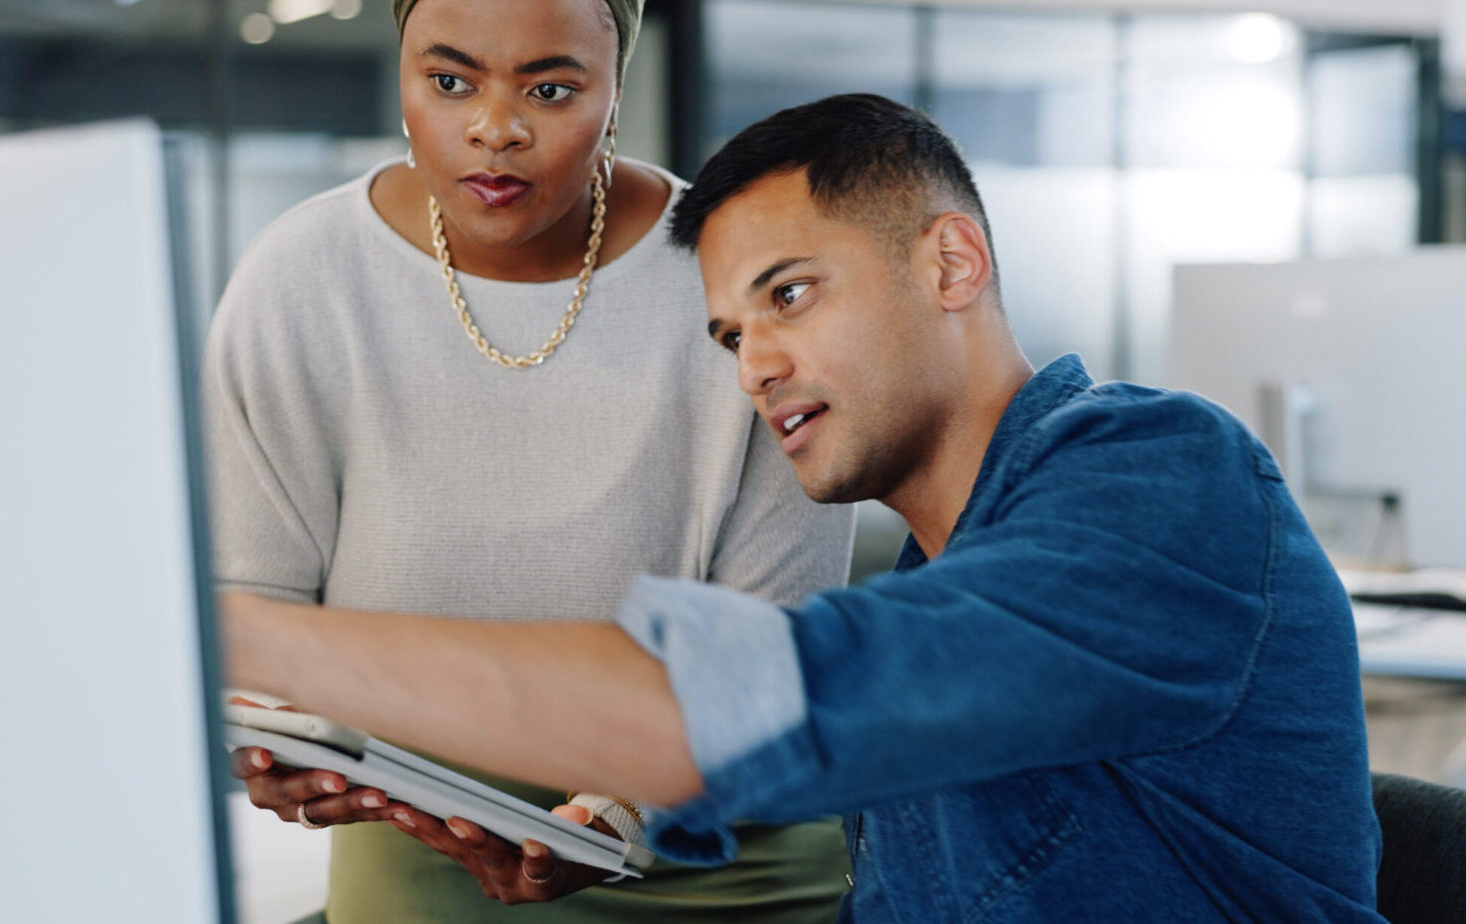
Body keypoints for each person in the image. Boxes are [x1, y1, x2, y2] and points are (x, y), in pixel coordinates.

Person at [220, 93, 1386, 921]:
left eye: (789, 296)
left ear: (950, 264)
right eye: (732, 333)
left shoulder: (1159, 474)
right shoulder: (941, 570)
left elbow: (750, 701)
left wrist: (232, 631)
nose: (754, 366)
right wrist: (600, 834)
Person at [203, 0, 856, 919]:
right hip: (420, 839)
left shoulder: (728, 282)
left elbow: (776, 636)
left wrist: (617, 811)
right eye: (450, 80)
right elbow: (249, 614)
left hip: (720, 844)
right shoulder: (302, 281)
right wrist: (275, 741)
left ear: (616, 89)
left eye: (550, 89)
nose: (493, 129)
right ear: (403, 70)